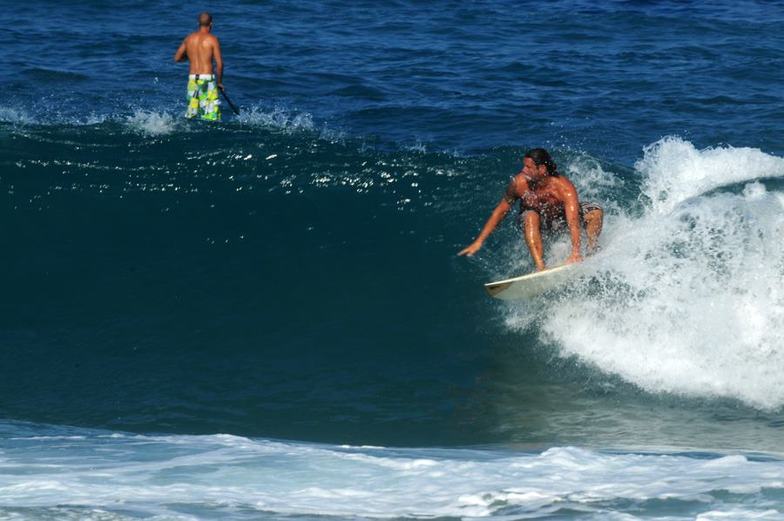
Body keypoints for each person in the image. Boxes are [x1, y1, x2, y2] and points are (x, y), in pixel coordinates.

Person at [458, 148, 603, 271]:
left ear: (542, 169)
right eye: (524, 166)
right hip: (535, 223)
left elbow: (573, 221)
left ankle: (590, 251)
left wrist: (575, 252)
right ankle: (540, 267)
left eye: (528, 167)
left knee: (595, 211)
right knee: (530, 215)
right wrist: (479, 241)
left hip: (559, 220)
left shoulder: (564, 188)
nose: (523, 170)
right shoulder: (519, 184)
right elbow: (501, 211)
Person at [174, 12, 224, 121]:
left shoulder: (189, 38)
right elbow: (219, 64)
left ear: (198, 23)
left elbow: (177, 58)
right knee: (211, 116)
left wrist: (190, 57)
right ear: (211, 24)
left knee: (191, 113)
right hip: (207, 79)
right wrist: (219, 82)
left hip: (192, 79)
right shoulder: (212, 39)